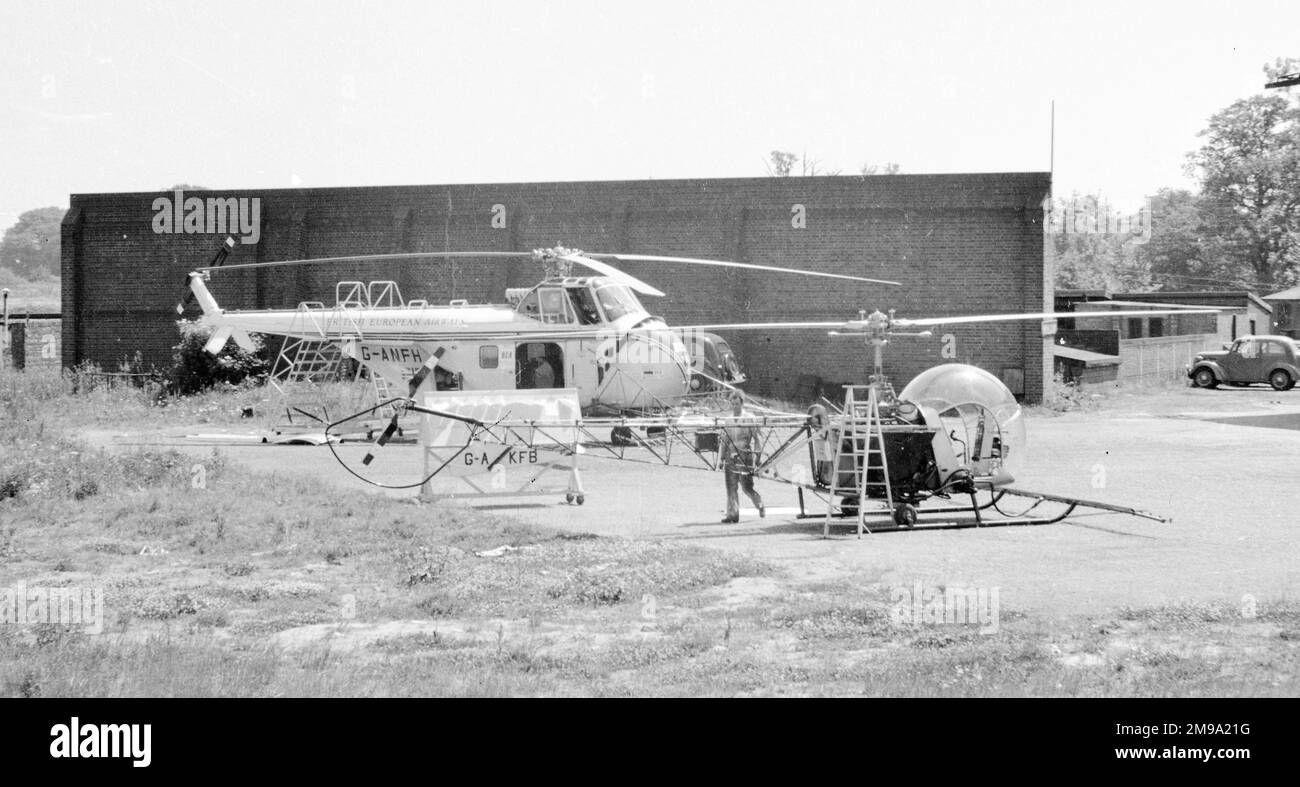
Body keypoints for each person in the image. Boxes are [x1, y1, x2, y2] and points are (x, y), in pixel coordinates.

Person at [720, 391, 764, 523]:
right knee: (731, 486)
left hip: (745, 455)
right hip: (730, 456)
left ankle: (759, 504)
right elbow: (724, 440)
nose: (735, 406)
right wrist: (721, 458)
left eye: (737, 404)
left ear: (742, 403)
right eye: (732, 404)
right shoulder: (728, 420)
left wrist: (758, 456)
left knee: (746, 487)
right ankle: (732, 515)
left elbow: (758, 438)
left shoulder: (750, 418)